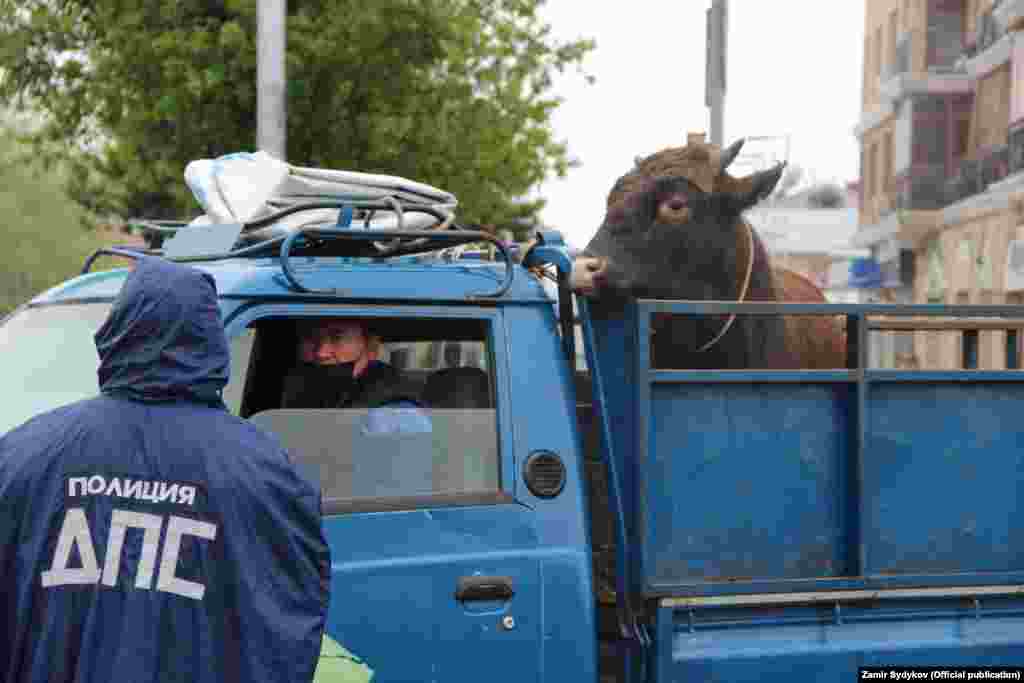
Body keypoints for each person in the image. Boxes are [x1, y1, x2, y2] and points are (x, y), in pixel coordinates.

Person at [0, 256, 330, 683]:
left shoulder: (25, 454)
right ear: (209, 340)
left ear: (118, 330)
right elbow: (289, 625)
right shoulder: (267, 473)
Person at [281, 318, 423, 412]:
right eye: (311, 337)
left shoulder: (395, 404)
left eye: (337, 337)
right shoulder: (287, 385)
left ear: (370, 347)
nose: (321, 353)